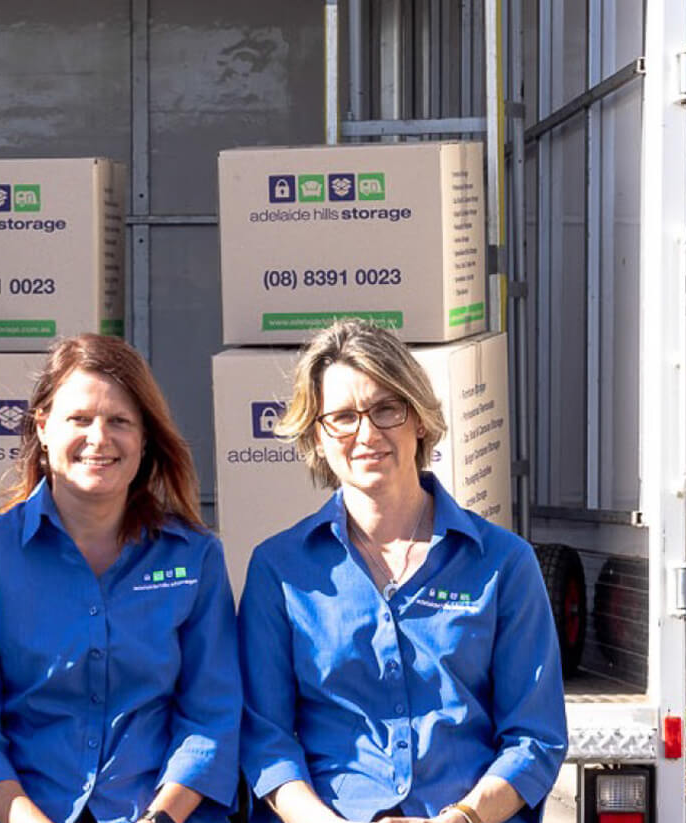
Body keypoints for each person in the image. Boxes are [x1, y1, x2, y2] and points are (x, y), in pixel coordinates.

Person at [238, 320, 567, 823]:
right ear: (317, 438)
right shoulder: (279, 571)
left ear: (418, 419)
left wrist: (464, 818)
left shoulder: (504, 563)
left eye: (386, 409)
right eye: (343, 417)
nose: (367, 434)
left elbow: (535, 737)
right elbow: (266, 740)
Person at [0, 334, 241, 823]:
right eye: (79, 419)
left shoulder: (196, 556)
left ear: (144, 438)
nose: (99, 438)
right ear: (43, 426)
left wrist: (160, 818)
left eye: (120, 421)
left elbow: (211, 715)